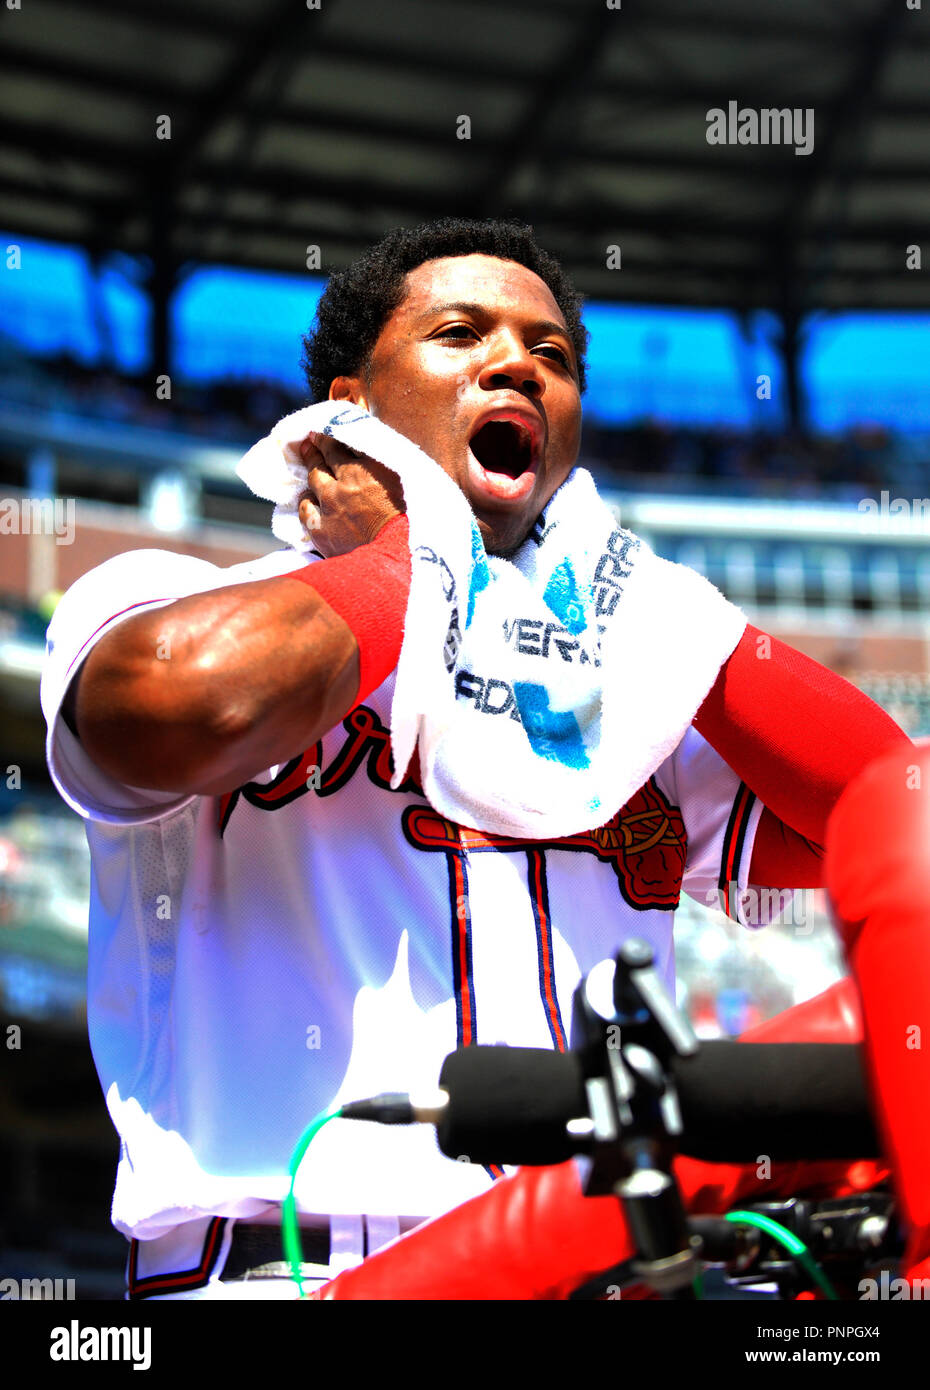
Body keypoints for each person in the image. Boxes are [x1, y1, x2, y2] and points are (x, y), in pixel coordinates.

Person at [40, 218, 909, 1300]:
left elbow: (890, 818)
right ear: (349, 405)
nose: (516, 364)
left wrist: (665, 615)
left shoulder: (629, 674)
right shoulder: (165, 592)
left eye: (552, 356)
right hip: (292, 1266)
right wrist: (420, 555)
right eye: (461, 333)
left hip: (606, 1256)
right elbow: (181, 704)